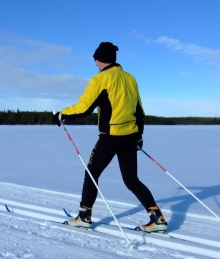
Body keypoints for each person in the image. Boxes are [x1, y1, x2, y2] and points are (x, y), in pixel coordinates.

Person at [53, 42, 167, 232]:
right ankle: (157, 218)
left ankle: (84, 216)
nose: (95, 64)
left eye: (96, 61)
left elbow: (84, 108)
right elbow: (139, 111)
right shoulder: (130, 78)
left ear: (100, 59)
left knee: (92, 172)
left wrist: (61, 114)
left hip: (111, 137)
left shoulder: (101, 79)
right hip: (130, 136)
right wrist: (139, 135)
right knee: (131, 180)